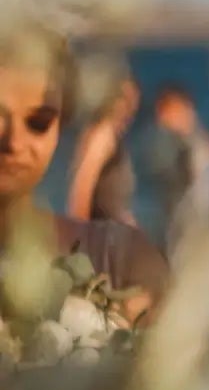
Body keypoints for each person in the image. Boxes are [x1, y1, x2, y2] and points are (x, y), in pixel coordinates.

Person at [0, 26, 166, 317]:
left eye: (39, 123)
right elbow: (82, 185)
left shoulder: (121, 261)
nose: (14, 142)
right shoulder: (100, 137)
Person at [145, 82, 209, 249]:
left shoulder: (200, 147)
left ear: (184, 108)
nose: (161, 120)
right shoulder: (176, 147)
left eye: (166, 112)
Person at [66, 75, 141, 228]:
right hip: (100, 238)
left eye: (133, 102)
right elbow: (82, 188)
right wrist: (79, 238)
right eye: (124, 100)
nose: (129, 108)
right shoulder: (103, 135)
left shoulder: (112, 137)